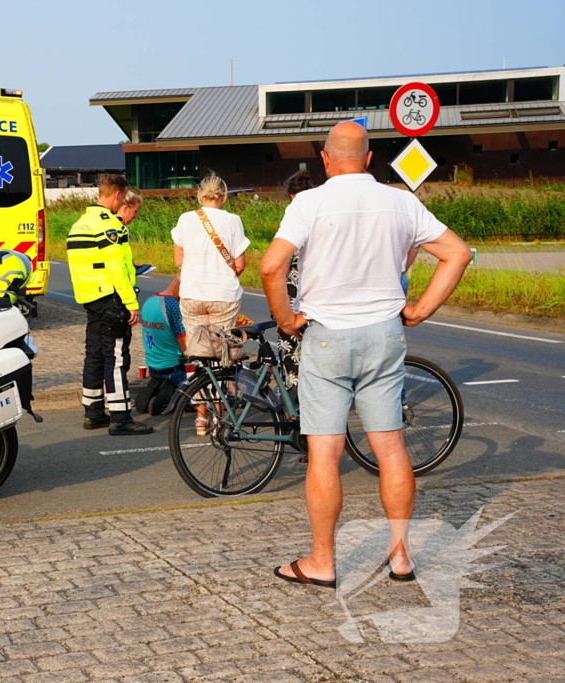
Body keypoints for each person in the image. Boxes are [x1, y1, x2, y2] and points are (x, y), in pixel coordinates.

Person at [260, 121, 473, 588]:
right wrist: (418, 310)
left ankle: (322, 561)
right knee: (391, 447)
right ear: (370, 159)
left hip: (327, 336)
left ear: (325, 158)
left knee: (325, 452)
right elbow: (457, 253)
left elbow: (272, 264)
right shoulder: (401, 201)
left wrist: (286, 318)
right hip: (384, 336)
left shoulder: (309, 203)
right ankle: (400, 557)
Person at [67, 174, 153, 436]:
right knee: (116, 357)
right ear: (117, 195)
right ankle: (121, 417)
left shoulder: (80, 223)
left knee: (93, 354)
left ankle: (93, 412)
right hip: (111, 299)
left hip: (90, 297)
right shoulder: (109, 226)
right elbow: (115, 268)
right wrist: (131, 303)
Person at [172, 172, 250, 436]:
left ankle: (201, 419)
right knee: (220, 357)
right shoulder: (233, 220)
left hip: (193, 293)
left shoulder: (184, 219)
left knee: (200, 356)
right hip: (223, 296)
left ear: (199, 195)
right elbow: (239, 264)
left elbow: (178, 262)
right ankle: (219, 419)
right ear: (224, 196)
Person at [275, 170, 315, 393]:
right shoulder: (320, 212)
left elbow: (281, 260)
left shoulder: (293, 213)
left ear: (291, 195)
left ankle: (292, 393)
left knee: (289, 342)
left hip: (292, 289)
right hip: (315, 287)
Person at [136, 275, 186, 415]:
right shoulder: (174, 307)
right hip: (175, 367)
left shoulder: (149, 301)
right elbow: (187, 349)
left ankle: (157, 387)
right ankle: (172, 395)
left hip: (153, 365)